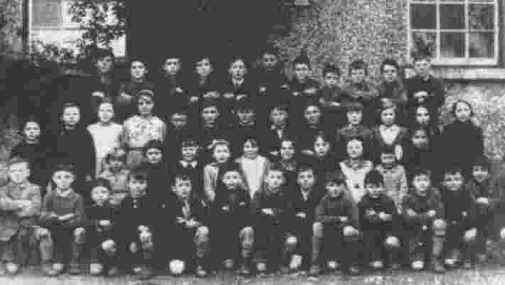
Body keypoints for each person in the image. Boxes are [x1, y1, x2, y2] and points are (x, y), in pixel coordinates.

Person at [0, 158, 55, 276]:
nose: (17, 174)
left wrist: (12, 207)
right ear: (8, 173)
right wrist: (21, 203)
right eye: (13, 171)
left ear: (28, 173)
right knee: (7, 238)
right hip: (8, 227)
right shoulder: (3, 189)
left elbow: (34, 209)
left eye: (21, 170)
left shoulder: (34, 188)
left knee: (44, 233)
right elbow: (3, 205)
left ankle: (46, 263)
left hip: (29, 226)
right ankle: (9, 260)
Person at [39, 163, 86, 275]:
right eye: (59, 177)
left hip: (69, 230)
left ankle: (74, 261)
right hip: (54, 230)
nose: (63, 180)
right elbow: (42, 217)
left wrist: (63, 222)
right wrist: (61, 218)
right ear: (54, 179)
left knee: (80, 231)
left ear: (73, 179)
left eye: (67, 177)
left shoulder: (77, 197)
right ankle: (48, 262)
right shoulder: (49, 196)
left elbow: (80, 218)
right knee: (44, 232)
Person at [310, 173, 360, 276]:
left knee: (349, 231)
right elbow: (319, 217)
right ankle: (316, 263)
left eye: (338, 185)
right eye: (331, 185)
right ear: (326, 187)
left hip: (344, 230)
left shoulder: (348, 200)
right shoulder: (324, 200)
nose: (335, 189)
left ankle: (352, 263)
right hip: (330, 230)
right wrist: (337, 219)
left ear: (343, 186)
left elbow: (353, 219)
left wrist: (340, 224)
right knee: (317, 226)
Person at [163, 174, 210, 277]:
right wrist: (184, 223)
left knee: (204, 231)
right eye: (180, 185)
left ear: (191, 187)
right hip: (177, 243)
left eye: (187, 185)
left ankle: (199, 263)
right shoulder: (169, 203)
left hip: (194, 240)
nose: (184, 188)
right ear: (174, 188)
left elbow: (205, 217)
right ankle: (179, 260)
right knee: (176, 270)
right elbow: (168, 222)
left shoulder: (198, 201)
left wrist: (197, 223)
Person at [211, 166, 254, 275]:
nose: (231, 180)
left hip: (240, 229)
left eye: (235, 177)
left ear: (240, 180)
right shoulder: (219, 196)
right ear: (223, 180)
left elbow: (249, 215)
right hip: (226, 232)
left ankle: (245, 262)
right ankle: (227, 256)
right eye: (228, 178)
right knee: (228, 266)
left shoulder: (245, 195)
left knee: (248, 231)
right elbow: (215, 217)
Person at [401, 168, 446, 273]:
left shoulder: (435, 195)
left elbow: (439, 213)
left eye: (425, 180)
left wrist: (418, 216)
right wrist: (427, 215)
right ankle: (417, 256)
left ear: (430, 182)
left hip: (431, 230)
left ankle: (436, 258)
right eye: (418, 180)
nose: (422, 183)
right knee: (417, 266)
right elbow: (408, 218)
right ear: (412, 182)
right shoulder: (408, 198)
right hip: (415, 233)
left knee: (439, 224)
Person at [115, 168, 156, 280]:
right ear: (128, 184)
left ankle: (147, 264)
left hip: (147, 235)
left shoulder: (151, 201)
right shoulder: (125, 202)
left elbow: (156, 220)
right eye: (134, 183)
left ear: (147, 184)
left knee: (145, 236)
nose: (138, 186)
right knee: (124, 240)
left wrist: (147, 227)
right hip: (130, 235)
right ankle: (129, 264)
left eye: (141, 183)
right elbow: (123, 223)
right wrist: (133, 239)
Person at [358, 170, 401, 270]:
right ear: (365, 188)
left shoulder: (388, 201)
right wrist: (379, 217)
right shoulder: (363, 203)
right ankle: (374, 259)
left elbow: (395, 219)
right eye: (371, 187)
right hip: (369, 234)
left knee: (392, 240)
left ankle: (392, 260)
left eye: (377, 186)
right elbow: (363, 221)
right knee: (371, 235)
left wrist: (387, 218)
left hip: (386, 232)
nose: (374, 190)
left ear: (383, 187)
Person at [251, 166, 292, 274]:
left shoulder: (286, 194)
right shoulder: (259, 194)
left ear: (283, 180)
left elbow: (288, 213)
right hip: (263, 228)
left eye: (278, 178)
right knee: (262, 234)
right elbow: (255, 212)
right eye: (272, 177)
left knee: (287, 239)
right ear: (266, 179)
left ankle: (281, 262)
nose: (275, 180)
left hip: (280, 227)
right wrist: (273, 213)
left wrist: (271, 211)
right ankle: (261, 260)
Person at [52, 102, 95, 199]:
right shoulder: (57, 134)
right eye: (68, 114)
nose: (71, 117)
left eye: (75, 114)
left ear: (79, 116)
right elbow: (52, 156)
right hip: (61, 173)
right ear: (62, 117)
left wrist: (89, 173)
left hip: (80, 173)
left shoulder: (85, 134)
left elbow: (91, 155)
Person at [287, 165, 324, 271]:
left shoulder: (320, 194)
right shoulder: (292, 194)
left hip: (313, 227)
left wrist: (306, 214)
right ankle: (296, 256)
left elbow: (319, 212)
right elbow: (289, 214)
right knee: (300, 225)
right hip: (295, 229)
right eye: (302, 177)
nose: (306, 180)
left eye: (309, 176)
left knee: (310, 224)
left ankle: (306, 258)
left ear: (314, 179)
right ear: (298, 180)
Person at [439, 167, 477, 269]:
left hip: (464, 226)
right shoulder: (440, 195)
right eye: (449, 180)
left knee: (470, 235)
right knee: (442, 228)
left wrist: (467, 221)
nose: (453, 183)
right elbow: (440, 213)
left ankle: (467, 258)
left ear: (462, 181)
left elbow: (472, 214)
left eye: (456, 179)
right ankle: (444, 256)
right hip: (448, 226)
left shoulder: (467, 194)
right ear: (443, 183)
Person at [122, 90, 167, 169]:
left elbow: (162, 142)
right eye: (141, 103)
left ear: (153, 104)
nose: (144, 106)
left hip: (153, 157)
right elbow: (124, 143)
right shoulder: (128, 122)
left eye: (148, 103)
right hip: (134, 157)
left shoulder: (160, 123)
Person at [440, 100, 484, 178]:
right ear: (454, 113)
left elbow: (479, 151)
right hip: (453, 168)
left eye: (466, 110)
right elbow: (444, 152)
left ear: (470, 112)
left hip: (471, 166)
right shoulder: (448, 129)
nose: (463, 113)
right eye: (459, 110)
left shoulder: (476, 130)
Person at [85, 179, 119, 276]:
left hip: (109, 238)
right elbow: (85, 222)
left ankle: (111, 264)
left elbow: (119, 223)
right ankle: (96, 261)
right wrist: (98, 223)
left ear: (110, 194)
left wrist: (111, 225)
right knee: (93, 238)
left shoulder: (114, 209)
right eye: (96, 193)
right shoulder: (89, 209)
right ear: (91, 195)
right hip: (95, 239)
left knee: (110, 244)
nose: (100, 195)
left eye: (103, 192)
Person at [253, 47, 289, 126]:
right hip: (262, 116)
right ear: (262, 61)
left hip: (280, 115)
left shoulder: (283, 77)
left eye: (272, 60)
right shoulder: (256, 78)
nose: (269, 63)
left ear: (277, 60)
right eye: (266, 60)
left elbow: (286, 99)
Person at [10, 116, 51, 188]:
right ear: (23, 131)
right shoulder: (17, 149)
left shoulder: (46, 149)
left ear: (40, 131)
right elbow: (12, 169)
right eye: (28, 129)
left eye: (35, 129)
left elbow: (49, 169)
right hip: (21, 185)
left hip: (41, 185)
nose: (32, 131)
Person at [405, 54, 445, 124]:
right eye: (418, 65)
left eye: (424, 65)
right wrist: (416, 98)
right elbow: (406, 102)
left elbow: (440, 100)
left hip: (432, 119)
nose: (421, 68)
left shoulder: (437, 83)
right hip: (413, 120)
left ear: (429, 66)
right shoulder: (408, 83)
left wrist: (426, 96)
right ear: (414, 67)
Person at [87, 100, 123, 177]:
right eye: (102, 110)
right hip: (95, 162)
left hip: (112, 163)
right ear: (97, 112)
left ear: (113, 113)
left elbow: (122, 147)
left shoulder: (119, 128)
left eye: (109, 111)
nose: (105, 113)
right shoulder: (91, 129)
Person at [342, 59, 378, 126]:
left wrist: (361, 95)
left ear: (365, 74)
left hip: (367, 118)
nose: (357, 76)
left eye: (360, 73)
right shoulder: (346, 89)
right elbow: (345, 105)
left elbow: (374, 94)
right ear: (350, 75)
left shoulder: (370, 87)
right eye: (354, 73)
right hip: (352, 118)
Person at [287, 52, 320, 125]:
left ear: (309, 70)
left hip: (311, 120)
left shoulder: (315, 85)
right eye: (298, 69)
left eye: (304, 69)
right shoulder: (289, 86)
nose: (301, 72)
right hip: (294, 121)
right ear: (294, 71)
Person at [339, 138, 374, 203]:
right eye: (350, 148)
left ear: (363, 149)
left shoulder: (368, 165)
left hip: (365, 199)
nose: (353, 150)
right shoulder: (342, 165)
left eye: (357, 147)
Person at [155, 56, 189, 121]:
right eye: (169, 64)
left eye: (175, 63)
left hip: (182, 114)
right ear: (164, 67)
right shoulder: (159, 82)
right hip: (164, 113)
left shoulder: (186, 80)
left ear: (179, 66)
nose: (172, 66)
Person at [375, 147, 408, 213]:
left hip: (397, 199)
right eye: (385, 158)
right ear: (380, 158)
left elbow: (403, 187)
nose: (388, 161)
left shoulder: (400, 169)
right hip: (382, 200)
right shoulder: (378, 169)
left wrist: (400, 202)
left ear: (395, 157)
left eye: (390, 158)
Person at [375, 59, 407, 124]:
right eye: (386, 72)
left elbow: (404, 100)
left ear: (397, 72)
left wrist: (391, 102)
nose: (390, 74)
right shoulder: (377, 88)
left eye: (392, 71)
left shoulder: (402, 87)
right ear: (382, 74)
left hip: (400, 120)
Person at [318, 63, 347, 128]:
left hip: (338, 122)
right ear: (324, 79)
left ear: (338, 79)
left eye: (335, 78)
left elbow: (344, 106)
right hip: (323, 122)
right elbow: (319, 105)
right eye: (329, 78)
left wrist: (328, 104)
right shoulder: (320, 92)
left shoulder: (341, 92)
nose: (332, 80)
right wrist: (333, 104)